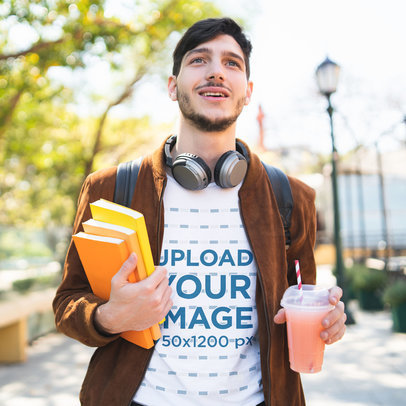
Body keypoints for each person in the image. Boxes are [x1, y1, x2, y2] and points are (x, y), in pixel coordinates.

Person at [53, 17, 346, 406]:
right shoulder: (110, 189)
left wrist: (328, 321)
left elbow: (301, 296)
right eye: (199, 60)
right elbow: (67, 302)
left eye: (232, 63)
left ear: (248, 91)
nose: (215, 72)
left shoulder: (291, 197)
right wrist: (109, 317)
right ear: (173, 87)